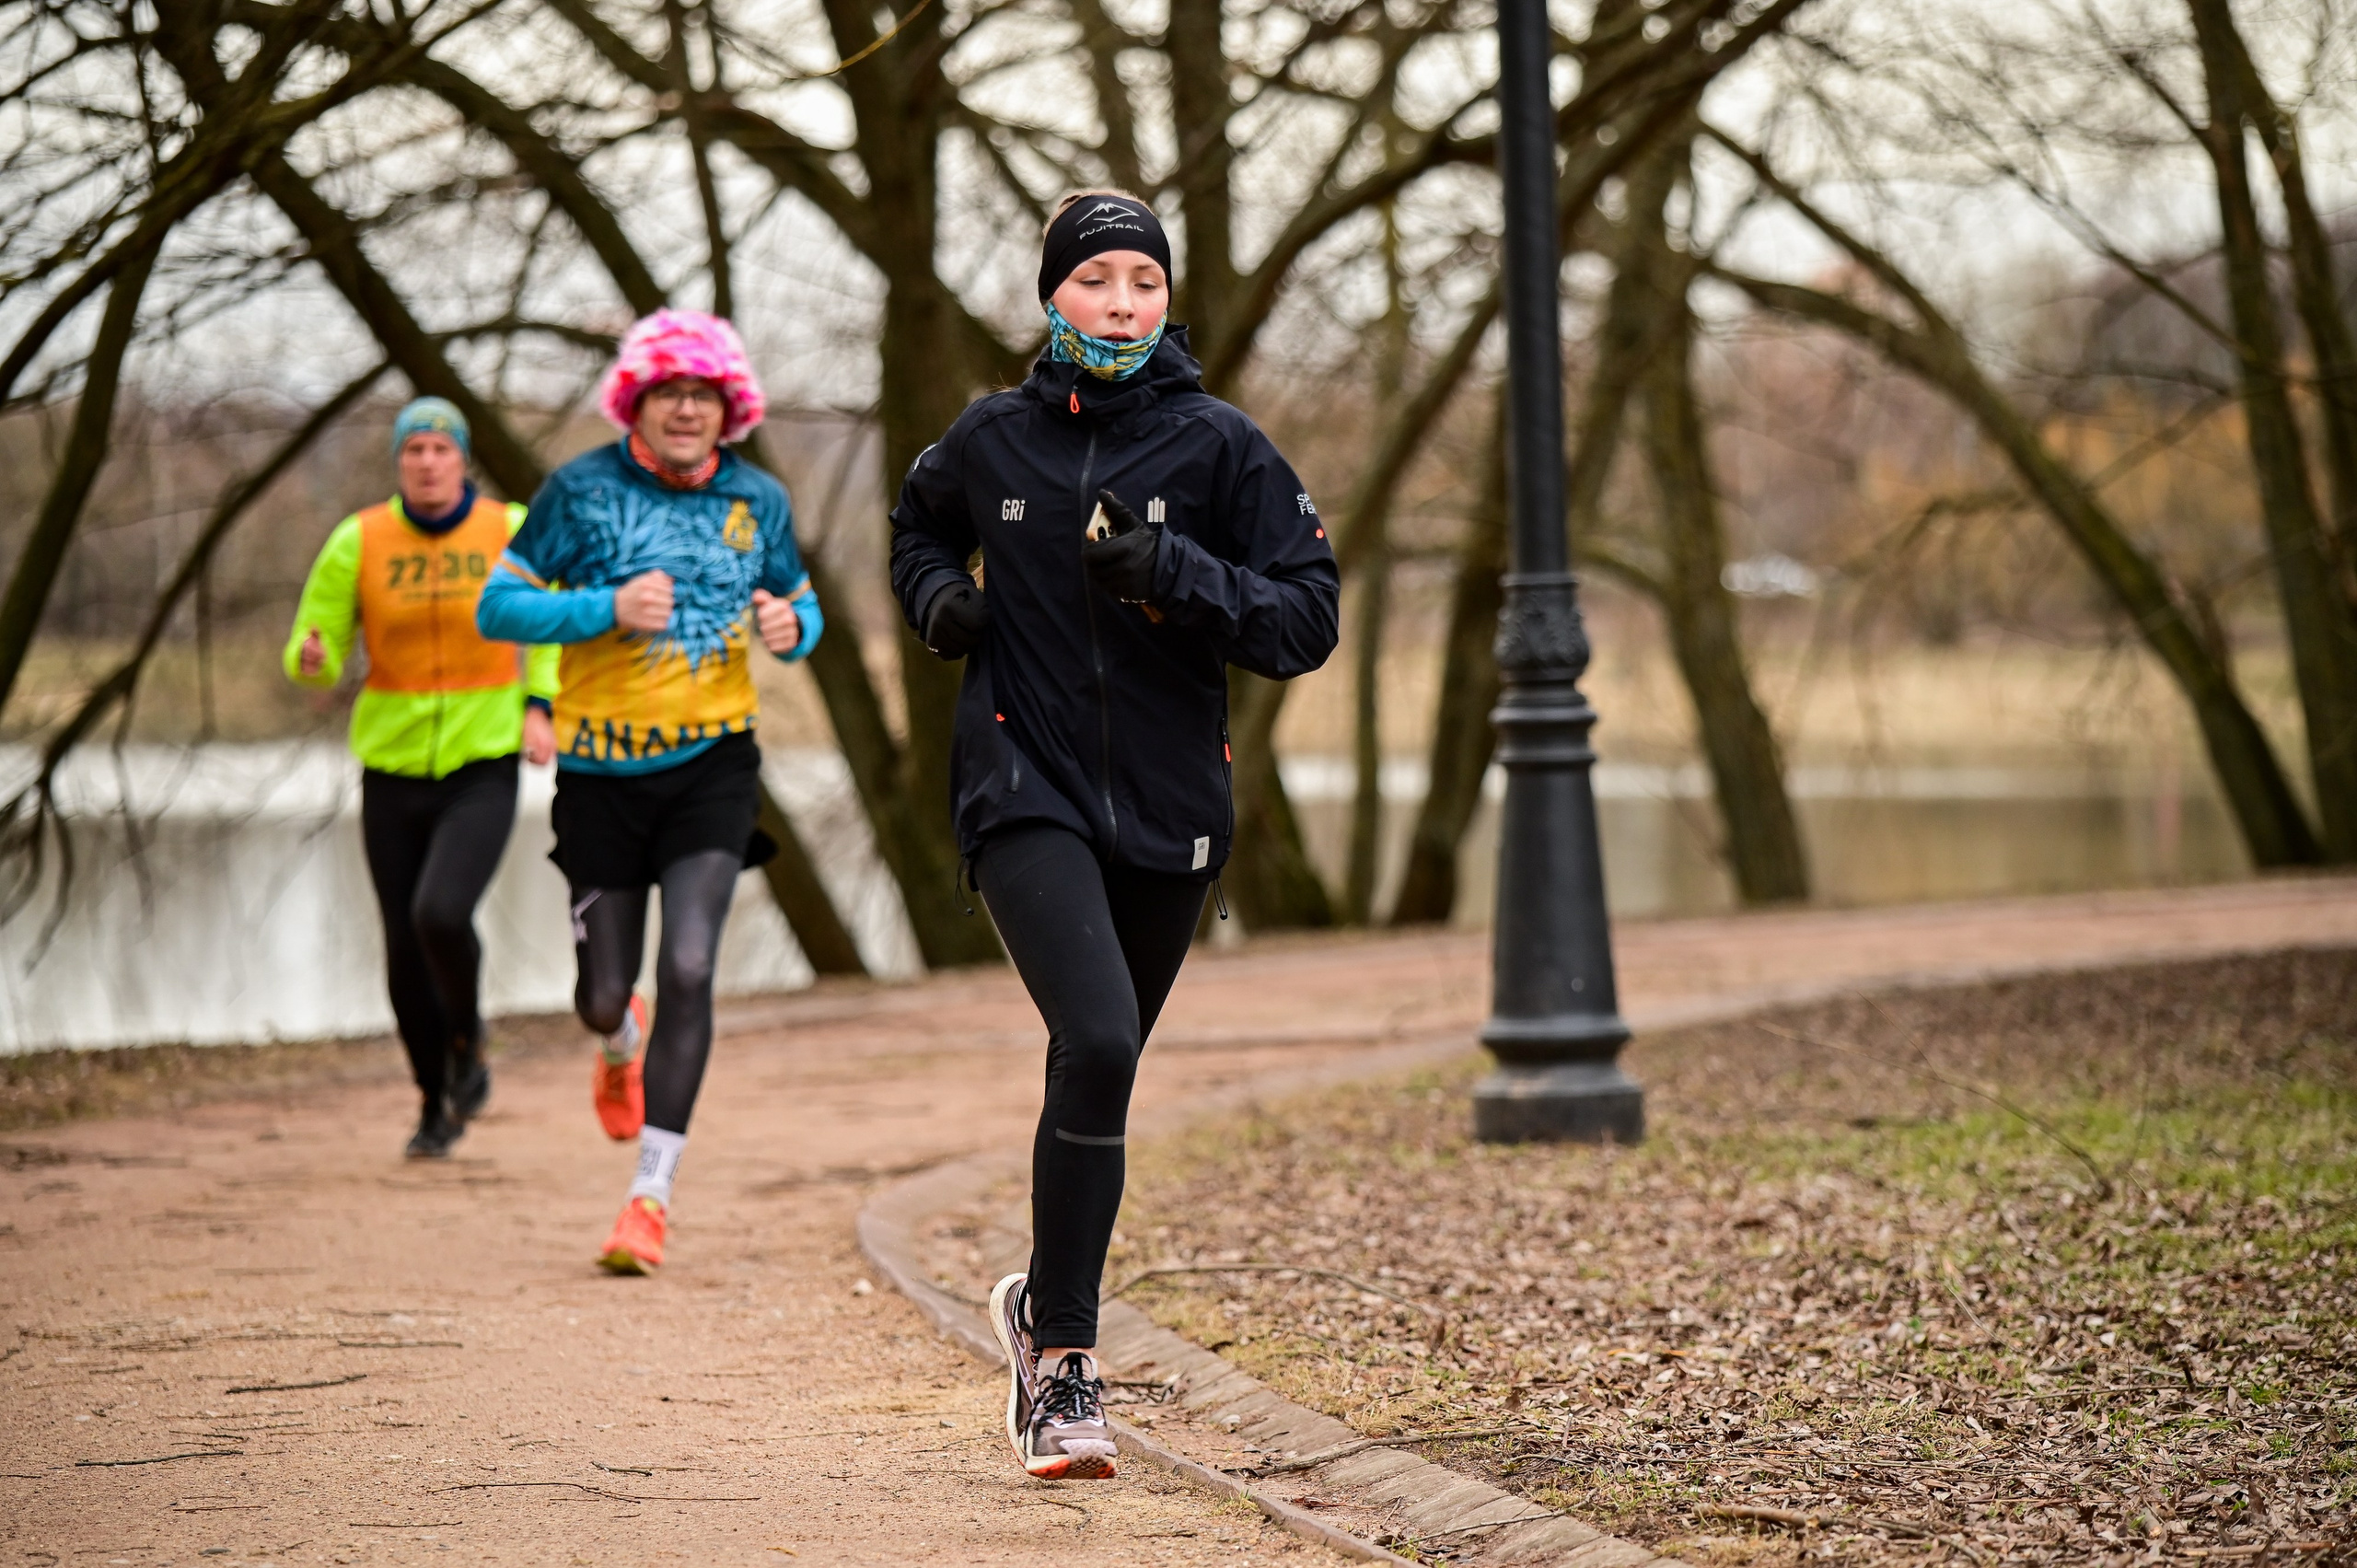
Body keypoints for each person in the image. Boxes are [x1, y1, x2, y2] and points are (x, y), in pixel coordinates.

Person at [889, 191, 1340, 1478]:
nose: (1123, 304)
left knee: (1105, 1065)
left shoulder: (1220, 448)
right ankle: (1068, 1367)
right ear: (1052, 297)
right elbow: (917, 526)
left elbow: (1306, 621)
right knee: (1091, 1034)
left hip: (1169, 806)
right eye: (1098, 282)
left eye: (1144, 281)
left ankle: (1039, 1299)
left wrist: (1172, 573)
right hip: (1020, 782)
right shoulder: (989, 441)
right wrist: (939, 602)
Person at [476, 308, 822, 1277]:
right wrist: (603, 608)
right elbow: (496, 603)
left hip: (713, 767)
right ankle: (616, 1037)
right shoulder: (578, 491)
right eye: (667, 391)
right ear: (635, 399)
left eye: (703, 393)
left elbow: (799, 604)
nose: (685, 409)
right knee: (599, 995)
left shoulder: (758, 499)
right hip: (598, 775)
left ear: (728, 407)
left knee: (695, 966)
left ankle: (649, 1195)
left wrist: (794, 629)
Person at [284, 397, 559, 1160]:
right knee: (403, 942)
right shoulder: (360, 540)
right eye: (415, 451)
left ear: (462, 457)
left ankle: (467, 1041)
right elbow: (316, 638)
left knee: (442, 912)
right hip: (392, 761)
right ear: (400, 462)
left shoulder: (509, 530)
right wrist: (312, 657)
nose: (428, 462)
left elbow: (560, 622)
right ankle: (433, 1099)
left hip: (484, 757)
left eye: (441, 448)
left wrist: (541, 703)